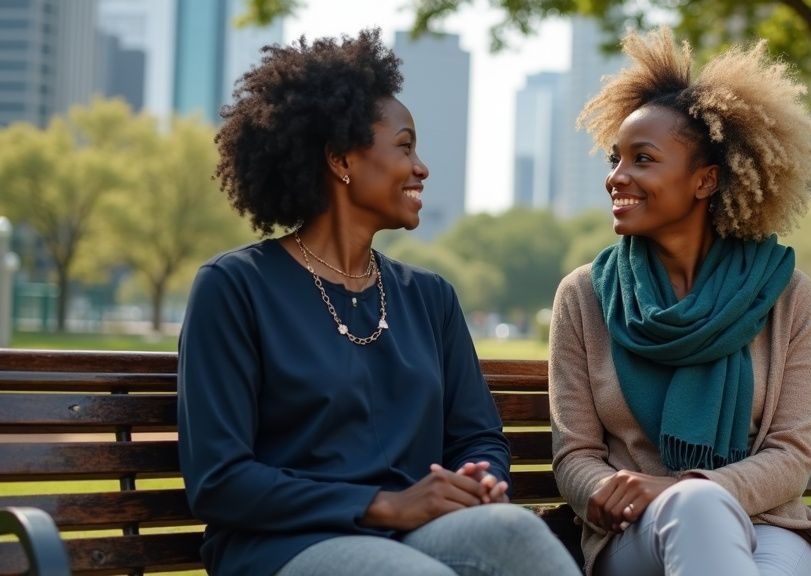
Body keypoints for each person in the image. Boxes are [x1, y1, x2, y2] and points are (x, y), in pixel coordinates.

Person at [177, 30, 581, 576]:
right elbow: (220, 480)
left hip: (417, 534)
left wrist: (477, 477)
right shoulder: (235, 287)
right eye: (405, 145)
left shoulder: (430, 297)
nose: (422, 168)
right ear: (341, 159)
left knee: (516, 532)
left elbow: (476, 435)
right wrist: (380, 504)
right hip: (285, 546)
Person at [548, 28, 811, 576]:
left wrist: (686, 485)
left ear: (705, 180)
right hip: (635, 534)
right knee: (697, 507)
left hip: (769, 528)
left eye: (643, 159)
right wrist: (618, 493)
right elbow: (575, 454)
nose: (617, 177)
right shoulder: (585, 296)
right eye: (615, 160)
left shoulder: (787, 296)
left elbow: (790, 455)